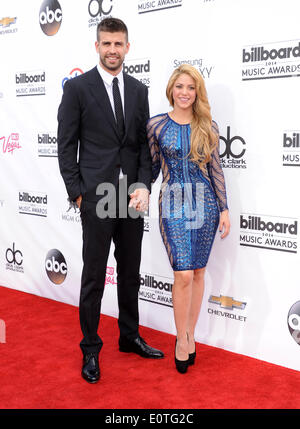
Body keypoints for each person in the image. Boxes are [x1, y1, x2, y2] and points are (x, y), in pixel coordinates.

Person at [57, 17, 164, 384]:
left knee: (131, 272)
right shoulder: (77, 89)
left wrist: (144, 185)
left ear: (128, 47)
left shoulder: (138, 89)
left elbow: (142, 146)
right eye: (107, 44)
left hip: (130, 196)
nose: (113, 50)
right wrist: (77, 192)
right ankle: (90, 348)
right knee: (93, 276)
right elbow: (66, 145)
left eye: (119, 44)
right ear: (97, 46)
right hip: (97, 196)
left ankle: (129, 336)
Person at [147, 64, 230, 374]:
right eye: (179, 86)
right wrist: (136, 188)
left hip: (206, 203)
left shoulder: (207, 127)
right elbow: (152, 168)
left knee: (197, 273)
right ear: (171, 89)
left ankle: (191, 334)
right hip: (173, 203)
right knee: (182, 274)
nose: (184, 92)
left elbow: (216, 169)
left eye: (190, 88)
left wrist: (224, 207)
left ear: (197, 93)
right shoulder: (155, 126)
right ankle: (181, 338)